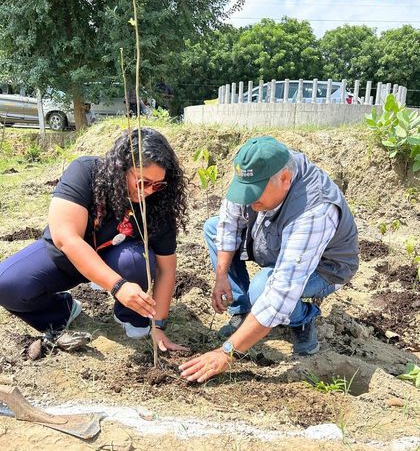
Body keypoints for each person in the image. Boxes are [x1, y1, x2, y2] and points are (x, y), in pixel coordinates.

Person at [179, 136, 359, 383]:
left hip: (325, 268)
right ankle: (243, 312)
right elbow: (228, 223)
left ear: (285, 179)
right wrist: (222, 275)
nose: (250, 203)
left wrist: (226, 353)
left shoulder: (315, 210)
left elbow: (280, 293)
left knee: (264, 288)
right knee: (212, 227)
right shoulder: (258, 170)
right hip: (276, 240)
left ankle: (304, 318)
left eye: (255, 195)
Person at [0, 127, 188, 352]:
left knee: (138, 260)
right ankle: (63, 310)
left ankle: (129, 315)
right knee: (8, 285)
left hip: (116, 260)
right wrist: (118, 286)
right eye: (142, 182)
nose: (148, 191)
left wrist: (158, 324)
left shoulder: (158, 205)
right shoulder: (86, 172)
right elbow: (66, 239)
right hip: (66, 258)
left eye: (157, 185)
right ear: (121, 168)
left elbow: (167, 268)